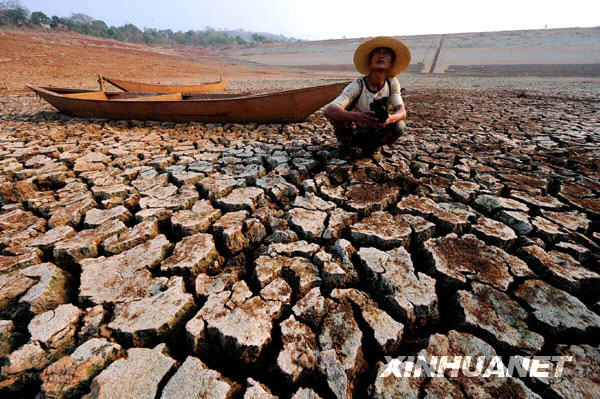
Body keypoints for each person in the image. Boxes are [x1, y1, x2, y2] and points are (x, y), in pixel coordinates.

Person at [324, 36, 411, 161]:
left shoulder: (392, 83)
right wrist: (357, 116)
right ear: (369, 61)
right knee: (340, 117)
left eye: (386, 53)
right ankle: (347, 147)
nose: (381, 56)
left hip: (374, 131)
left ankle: (372, 148)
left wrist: (389, 119)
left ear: (392, 62)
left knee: (399, 125)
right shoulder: (358, 85)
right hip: (354, 131)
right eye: (377, 53)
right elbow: (329, 110)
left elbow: (402, 112)